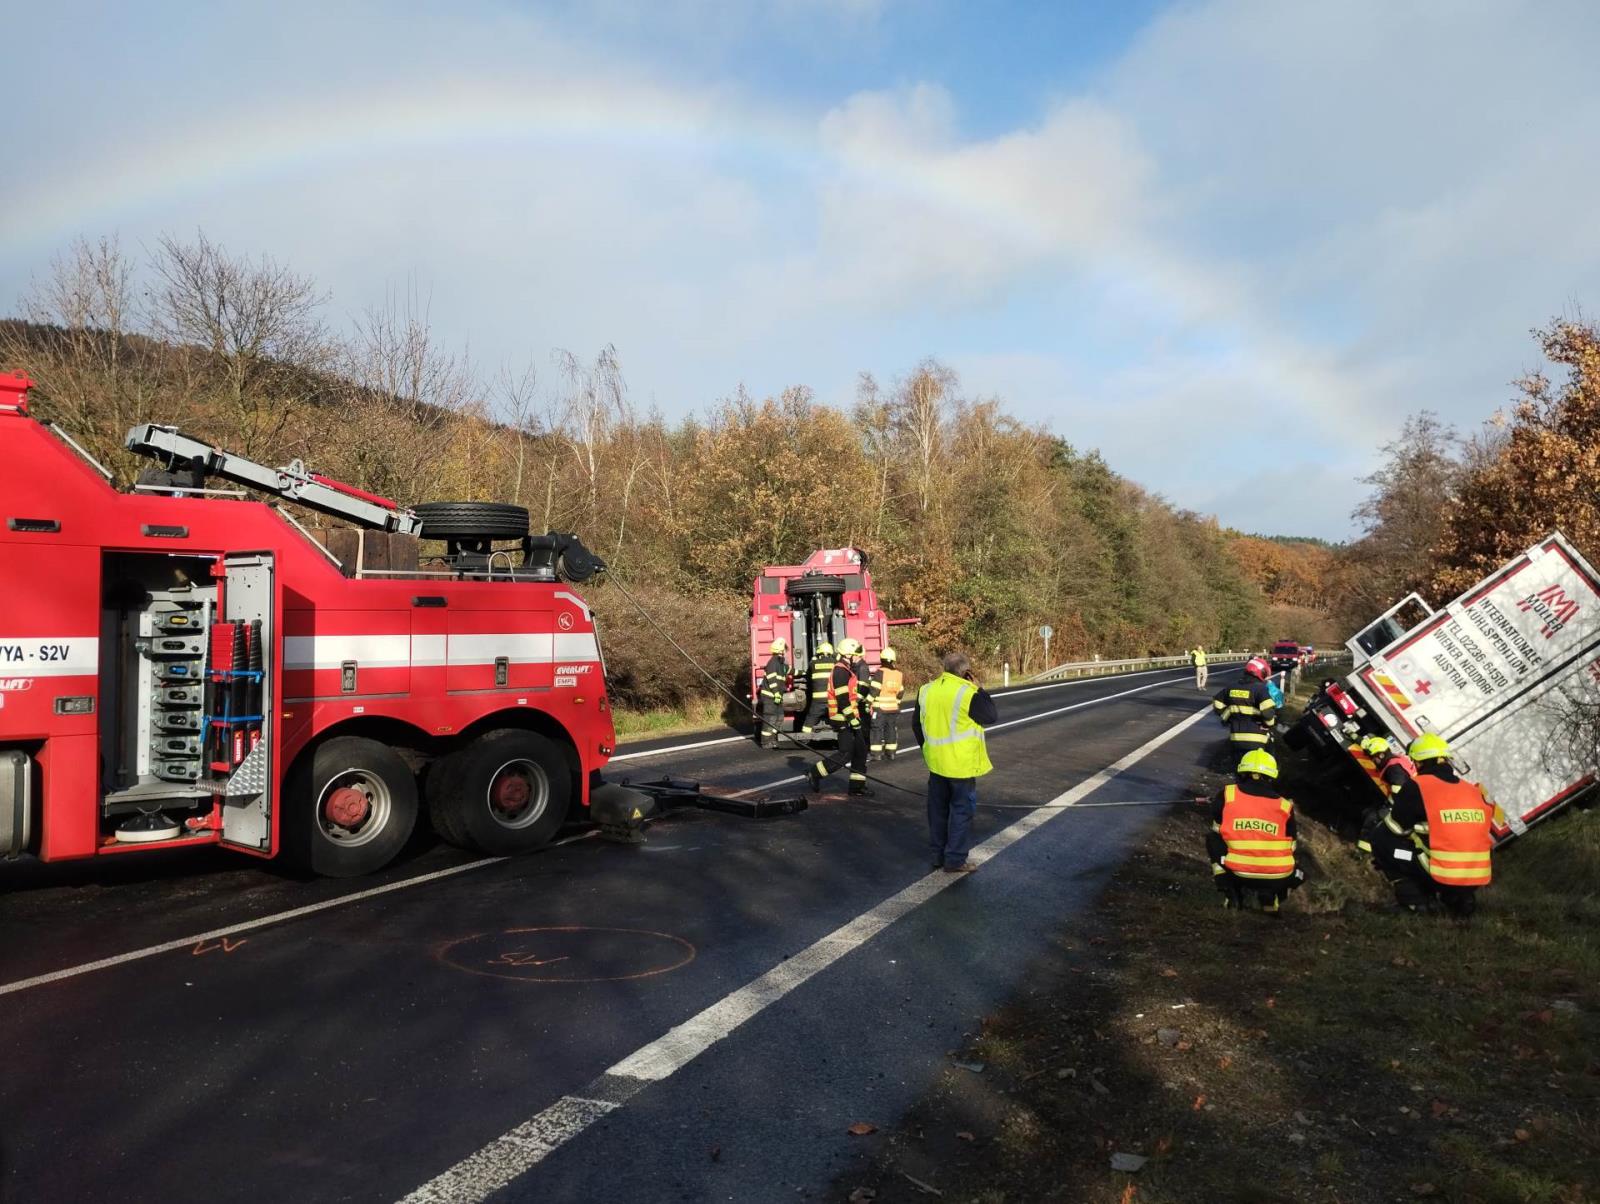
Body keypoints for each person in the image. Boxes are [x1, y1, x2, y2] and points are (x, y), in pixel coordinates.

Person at [1375, 733, 1499, 918]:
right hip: (1476, 875)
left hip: (1443, 873)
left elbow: (1395, 828)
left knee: (1381, 841)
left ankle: (1415, 903)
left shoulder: (1419, 785)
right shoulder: (1472, 790)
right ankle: (1459, 899)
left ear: (1419, 762)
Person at [912, 650, 998, 873]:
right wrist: (979, 688)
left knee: (937, 812)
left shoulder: (926, 690)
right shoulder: (967, 692)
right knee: (961, 812)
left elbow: (916, 725)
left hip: (936, 763)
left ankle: (937, 856)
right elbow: (990, 715)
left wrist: (927, 748)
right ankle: (955, 860)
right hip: (960, 765)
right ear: (965, 672)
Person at [1206, 750, 1303, 913]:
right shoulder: (1285, 806)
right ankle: (1272, 899)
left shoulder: (1228, 794)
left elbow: (1217, 825)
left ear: (1243, 772)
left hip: (1238, 871)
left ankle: (1229, 892)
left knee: (1213, 838)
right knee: (1299, 872)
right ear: (1272, 776)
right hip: (1278, 875)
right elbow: (1292, 845)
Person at [807, 637, 873, 796]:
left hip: (849, 718)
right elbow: (842, 700)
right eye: (855, 654)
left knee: (861, 751)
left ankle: (857, 787)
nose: (857, 657)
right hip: (842, 719)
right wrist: (852, 720)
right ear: (848, 654)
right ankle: (814, 773)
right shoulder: (840, 671)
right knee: (845, 753)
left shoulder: (846, 669)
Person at [1212, 656, 1278, 759]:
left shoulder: (1231, 687)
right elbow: (1268, 714)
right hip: (1257, 741)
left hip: (1235, 739)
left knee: (1238, 765)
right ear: (1260, 672)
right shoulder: (1261, 689)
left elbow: (1217, 703)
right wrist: (1270, 724)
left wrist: (1227, 716)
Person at [867, 646, 905, 760]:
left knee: (876, 730)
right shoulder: (898, 674)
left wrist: (867, 703)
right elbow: (901, 691)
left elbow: (874, 690)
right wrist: (896, 702)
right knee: (891, 729)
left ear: (881, 660)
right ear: (893, 660)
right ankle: (891, 753)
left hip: (880, 708)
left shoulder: (880, 672)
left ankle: (876, 754)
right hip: (893, 708)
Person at [756, 638, 790, 748]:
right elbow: (772, 680)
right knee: (770, 719)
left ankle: (773, 739)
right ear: (780, 650)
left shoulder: (781, 663)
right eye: (784, 649)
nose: (785, 651)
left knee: (779, 718)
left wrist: (804, 672)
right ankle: (765, 742)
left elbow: (789, 670)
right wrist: (776, 693)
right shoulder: (772, 663)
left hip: (777, 696)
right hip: (770, 697)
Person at [799, 641, 835, 736]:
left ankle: (804, 736)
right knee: (836, 717)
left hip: (818, 700)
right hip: (831, 699)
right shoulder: (835, 663)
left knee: (811, 717)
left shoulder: (813, 663)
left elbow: (808, 676)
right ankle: (840, 733)